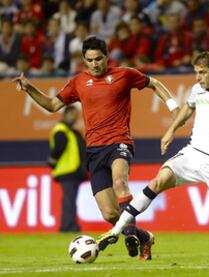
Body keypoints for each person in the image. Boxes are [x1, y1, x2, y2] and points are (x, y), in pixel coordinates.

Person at [13, 36, 180, 261]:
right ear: (84, 60)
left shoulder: (124, 74)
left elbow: (155, 84)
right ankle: (142, 236)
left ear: (107, 57)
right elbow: (52, 105)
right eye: (90, 60)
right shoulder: (78, 82)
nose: (95, 64)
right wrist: (29, 89)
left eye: (99, 59)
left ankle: (131, 235)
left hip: (119, 142)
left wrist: (173, 107)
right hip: (94, 150)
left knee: (120, 182)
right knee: (111, 214)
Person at [97, 51, 209, 259]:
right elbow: (188, 108)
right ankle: (116, 230)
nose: (198, 77)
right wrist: (171, 130)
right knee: (157, 182)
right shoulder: (196, 90)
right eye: (196, 72)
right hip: (192, 154)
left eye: (202, 72)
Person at [48, 105, 87, 232]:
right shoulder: (61, 130)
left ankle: (70, 225)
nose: (75, 118)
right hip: (67, 170)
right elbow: (58, 148)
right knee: (69, 199)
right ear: (65, 114)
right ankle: (68, 226)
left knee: (70, 199)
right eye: (72, 114)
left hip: (73, 171)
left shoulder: (71, 131)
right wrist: (52, 162)